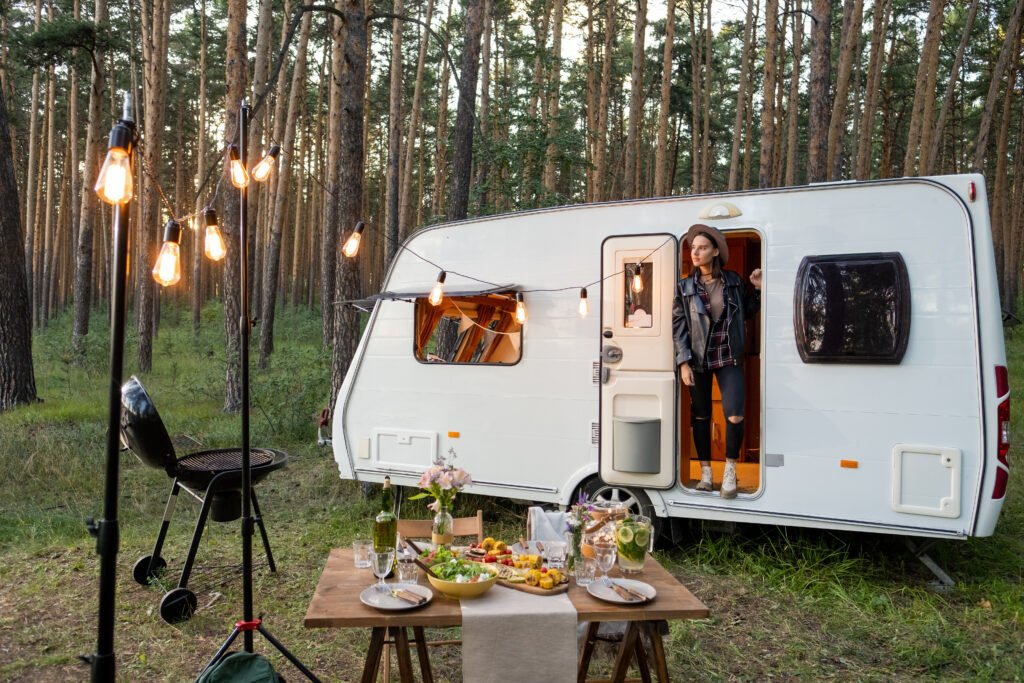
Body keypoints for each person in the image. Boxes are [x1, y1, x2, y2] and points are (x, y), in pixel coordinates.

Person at [672, 224, 762, 498]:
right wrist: (683, 361)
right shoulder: (685, 287)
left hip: (728, 356)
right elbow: (679, 325)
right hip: (698, 359)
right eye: (692, 248)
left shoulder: (733, 281)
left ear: (714, 252)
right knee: (701, 415)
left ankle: (730, 472)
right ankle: (706, 473)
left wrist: (757, 290)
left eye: (701, 247)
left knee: (734, 414)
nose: (695, 252)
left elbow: (746, 311)